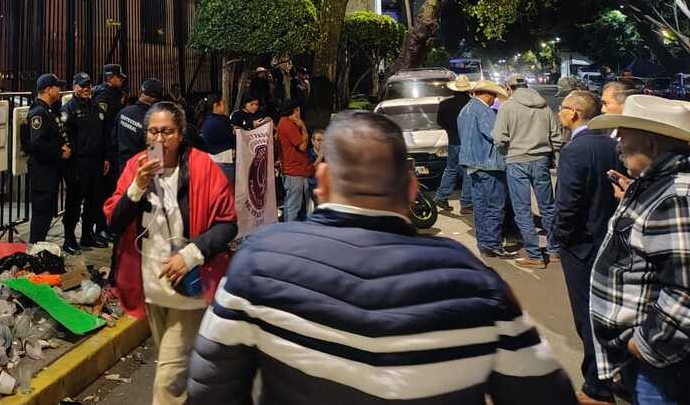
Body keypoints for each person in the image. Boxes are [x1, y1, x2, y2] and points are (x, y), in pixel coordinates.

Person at [188, 110, 576, 403]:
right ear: (410, 188)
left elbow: (210, 386)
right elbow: (543, 391)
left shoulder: (258, 263)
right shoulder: (476, 281)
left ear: (321, 183)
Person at [105, 101, 237, 405]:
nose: (159, 140)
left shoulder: (203, 167)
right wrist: (136, 187)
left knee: (168, 376)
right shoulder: (135, 166)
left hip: (189, 285)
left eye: (167, 132)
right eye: (153, 132)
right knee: (175, 367)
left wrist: (191, 253)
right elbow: (114, 221)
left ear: (181, 135)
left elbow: (227, 223)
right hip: (151, 285)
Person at [587, 95, 690, 403]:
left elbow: (685, 293)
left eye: (624, 135)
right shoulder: (660, 185)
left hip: (660, 365)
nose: (617, 144)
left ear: (654, 146)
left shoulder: (676, 196)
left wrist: (644, 345)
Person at [553, 90, 624, 405]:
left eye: (562, 108)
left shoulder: (574, 151)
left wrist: (560, 237)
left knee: (587, 317)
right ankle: (617, 375)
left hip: (582, 247)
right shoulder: (614, 145)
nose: (558, 113)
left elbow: (567, 205)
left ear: (574, 114)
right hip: (612, 243)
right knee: (613, 314)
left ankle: (597, 386)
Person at [493, 81, 563, 267]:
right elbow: (556, 136)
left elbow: (499, 138)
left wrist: (507, 150)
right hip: (541, 160)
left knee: (522, 211)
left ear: (510, 88)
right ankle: (554, 250)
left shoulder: (507, 107)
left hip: (516, 160)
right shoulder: (544, 106)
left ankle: (534, 255)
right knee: (547, 207)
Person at [458, 81, 516, 258]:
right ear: (488, 94)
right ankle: (492, 243)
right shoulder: (483, 110)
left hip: (472, 163)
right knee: (495, 205)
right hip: (488, 163)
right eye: (494, 97)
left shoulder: (465, 110)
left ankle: (484, 243)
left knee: (480, 205)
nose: (495, 100)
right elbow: (495, 135)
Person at [64, 72, 113, 249]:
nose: (86, 89)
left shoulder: (96, 107)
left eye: (88, 85)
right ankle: (69, 239)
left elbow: (104, 135)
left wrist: (106, 157)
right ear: (74, 87)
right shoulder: (68, 109)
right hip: (78, 165)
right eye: (82, 85)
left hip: (96, 163)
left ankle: (87, 236)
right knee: (74, 205)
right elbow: (65, 140)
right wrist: (71, 166)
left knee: (94, 203)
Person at [24, 73, 71, 244]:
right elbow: (38, 144)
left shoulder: (49, 110)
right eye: (57, 86)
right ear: (48, 89)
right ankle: (35, 251)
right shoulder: (39, 113)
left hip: (50, 170)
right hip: (42, 171)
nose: (60, 90)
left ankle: (40, 249)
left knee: (46, 213)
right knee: (41, 213)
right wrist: (60, 152)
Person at [435, 75, 474, 214]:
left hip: (453, 141)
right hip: (468, 142)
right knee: (468, 172)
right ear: (468, 89)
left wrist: (451, 130)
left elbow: (440, 122)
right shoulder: (472, 104)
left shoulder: (444, 104)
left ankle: (441, 196)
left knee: (451, 169)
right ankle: (466, 203)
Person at [276, 100, 312, 222]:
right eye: (297, 110)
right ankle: (289, 231)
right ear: (293, 110)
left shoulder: (286, 123)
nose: (299, 112)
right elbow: (302, 146)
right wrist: (303, 127)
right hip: (294, 170)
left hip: (297, 169)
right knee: (293, 205)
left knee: (295, 203)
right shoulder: (287, 124)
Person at [115, 78, 163, 168]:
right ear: (157, 98)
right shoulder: (155, 121)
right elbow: (156, 154)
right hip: (142, 171)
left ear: (140, 91)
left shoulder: (123, 112)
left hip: (123, 168)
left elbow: (113, 141)